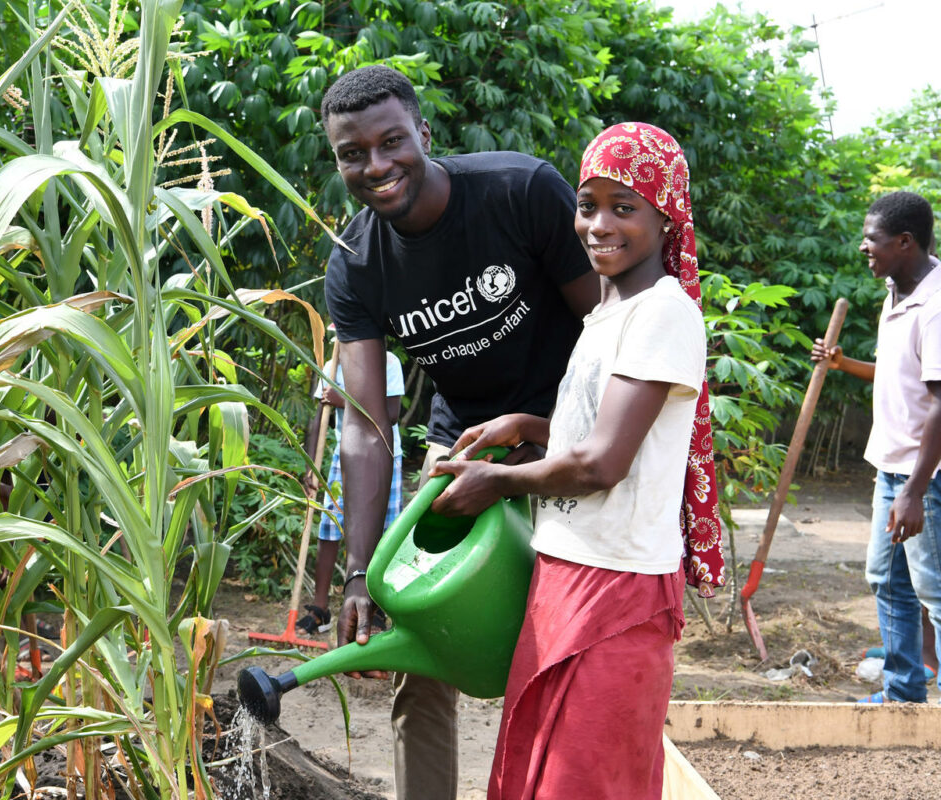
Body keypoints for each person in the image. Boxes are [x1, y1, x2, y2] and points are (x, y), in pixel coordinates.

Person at [321, 63, 601, 800]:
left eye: (391, 142)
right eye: (353, 154)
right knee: (425, 662)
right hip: (460, 453)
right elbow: (364, 425)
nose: (375, 166)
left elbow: (611, 337)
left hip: (567, 437)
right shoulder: (355, 262)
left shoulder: (520, 191)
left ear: (425, 133)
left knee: (564, 646)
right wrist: (359, 571)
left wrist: (558, 440)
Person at [430, 122, 722, 798]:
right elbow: (593, 432)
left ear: (666, 216)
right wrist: (526, 425)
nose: (599, 224)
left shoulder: (662, 312)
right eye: (588, 204)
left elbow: (600, 464)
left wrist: (496, 482)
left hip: (618, 584)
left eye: (625, 207)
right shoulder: (606, 317)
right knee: (540, 770)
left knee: (586, 780)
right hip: (566, 567)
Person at [811, 190, 941, 703]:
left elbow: (939, 404)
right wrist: (844, 364)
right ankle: (904, 690)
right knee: (887, 581)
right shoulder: (897, 291)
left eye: (873, 241)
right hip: (892, 469)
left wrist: (915, 489)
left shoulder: (934, 306)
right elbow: (900, 375)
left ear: (905, 242)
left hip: (923, 476)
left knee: (935, 590)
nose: (865, 249)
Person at [297, 348, 405, 634]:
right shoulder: (331, 368)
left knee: (383, 530)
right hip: (344, 454)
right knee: (329, 526)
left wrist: (343, 400)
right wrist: (311, 466)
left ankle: (375, 606)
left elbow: (392, 413)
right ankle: (320, 608)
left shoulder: (388, 362)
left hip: (383, 454)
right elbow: (319, 418)